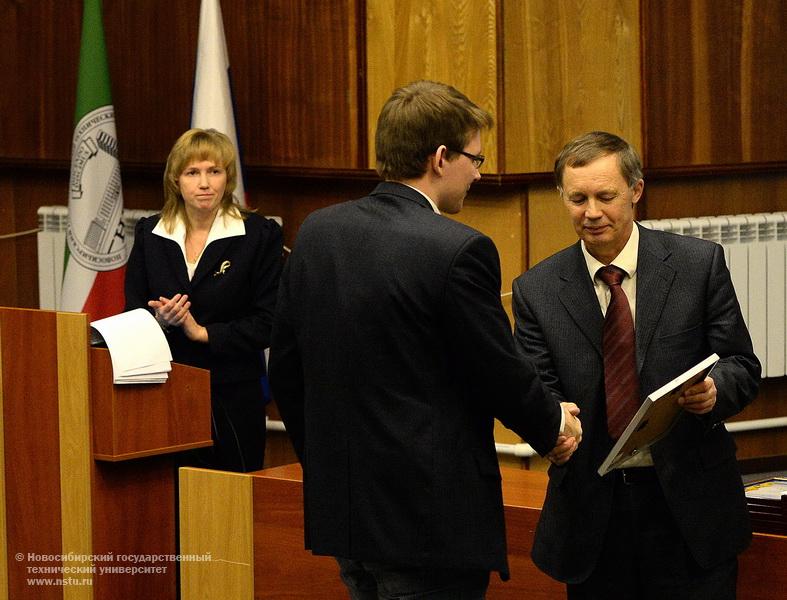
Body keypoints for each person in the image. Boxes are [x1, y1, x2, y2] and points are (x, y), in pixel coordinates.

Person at [268, 80, 582, 599]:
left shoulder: (318, 233)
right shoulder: (458, 250)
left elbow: (286, 368)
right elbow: (497, 371)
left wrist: (330, 466)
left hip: (346, 517)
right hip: (429, 526)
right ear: (441, 157)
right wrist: (554, 427)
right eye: (476, 160)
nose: (478, 174)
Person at [512, 131, 761, 599]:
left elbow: (742, 366)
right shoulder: (537, 290)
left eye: (605, 196)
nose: (591, 213)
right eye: (577, 198)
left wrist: (713, 392)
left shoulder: (697, 265)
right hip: (594, 515)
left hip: (690, 509)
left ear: (636, 190)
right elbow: (535, 392)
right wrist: (553, 423)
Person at [124, 128, 283, 473]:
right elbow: (132, 313)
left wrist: (204, 333)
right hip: (165, 386)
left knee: (230, 499)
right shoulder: (151, 233)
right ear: (175, 179)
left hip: (232, 390)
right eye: (192, 172)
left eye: (214, 171)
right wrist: (160, 322)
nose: (205, 183)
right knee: (171, 495)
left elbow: (270, 322)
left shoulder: (258, 235)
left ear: (228, 177)